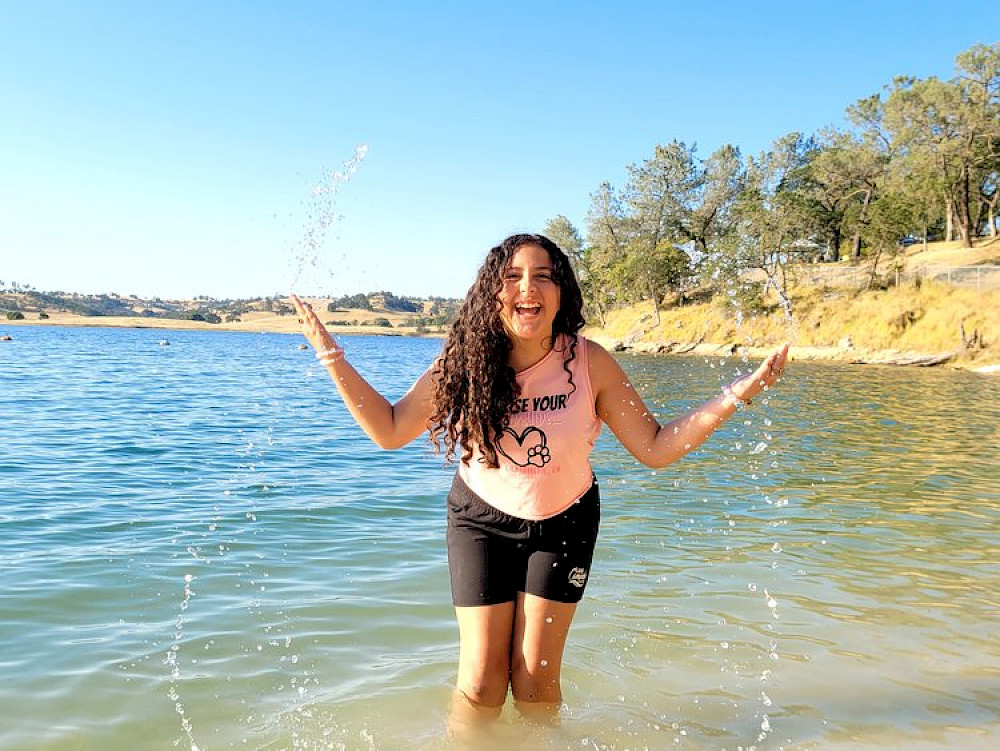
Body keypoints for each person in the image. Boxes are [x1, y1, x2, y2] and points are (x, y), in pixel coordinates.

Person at [290, 233, 788, 732]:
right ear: (493, 293)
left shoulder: (590, 362)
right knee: (481, 683)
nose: (527, 287)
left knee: (535, 682)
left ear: (561, 291)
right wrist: (331, 354)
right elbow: (390, 430)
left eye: (543, 276)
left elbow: (655, 447)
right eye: (512, 277)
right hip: (480, 522)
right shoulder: (465, 362)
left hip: (564, 524)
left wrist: (736, 395)